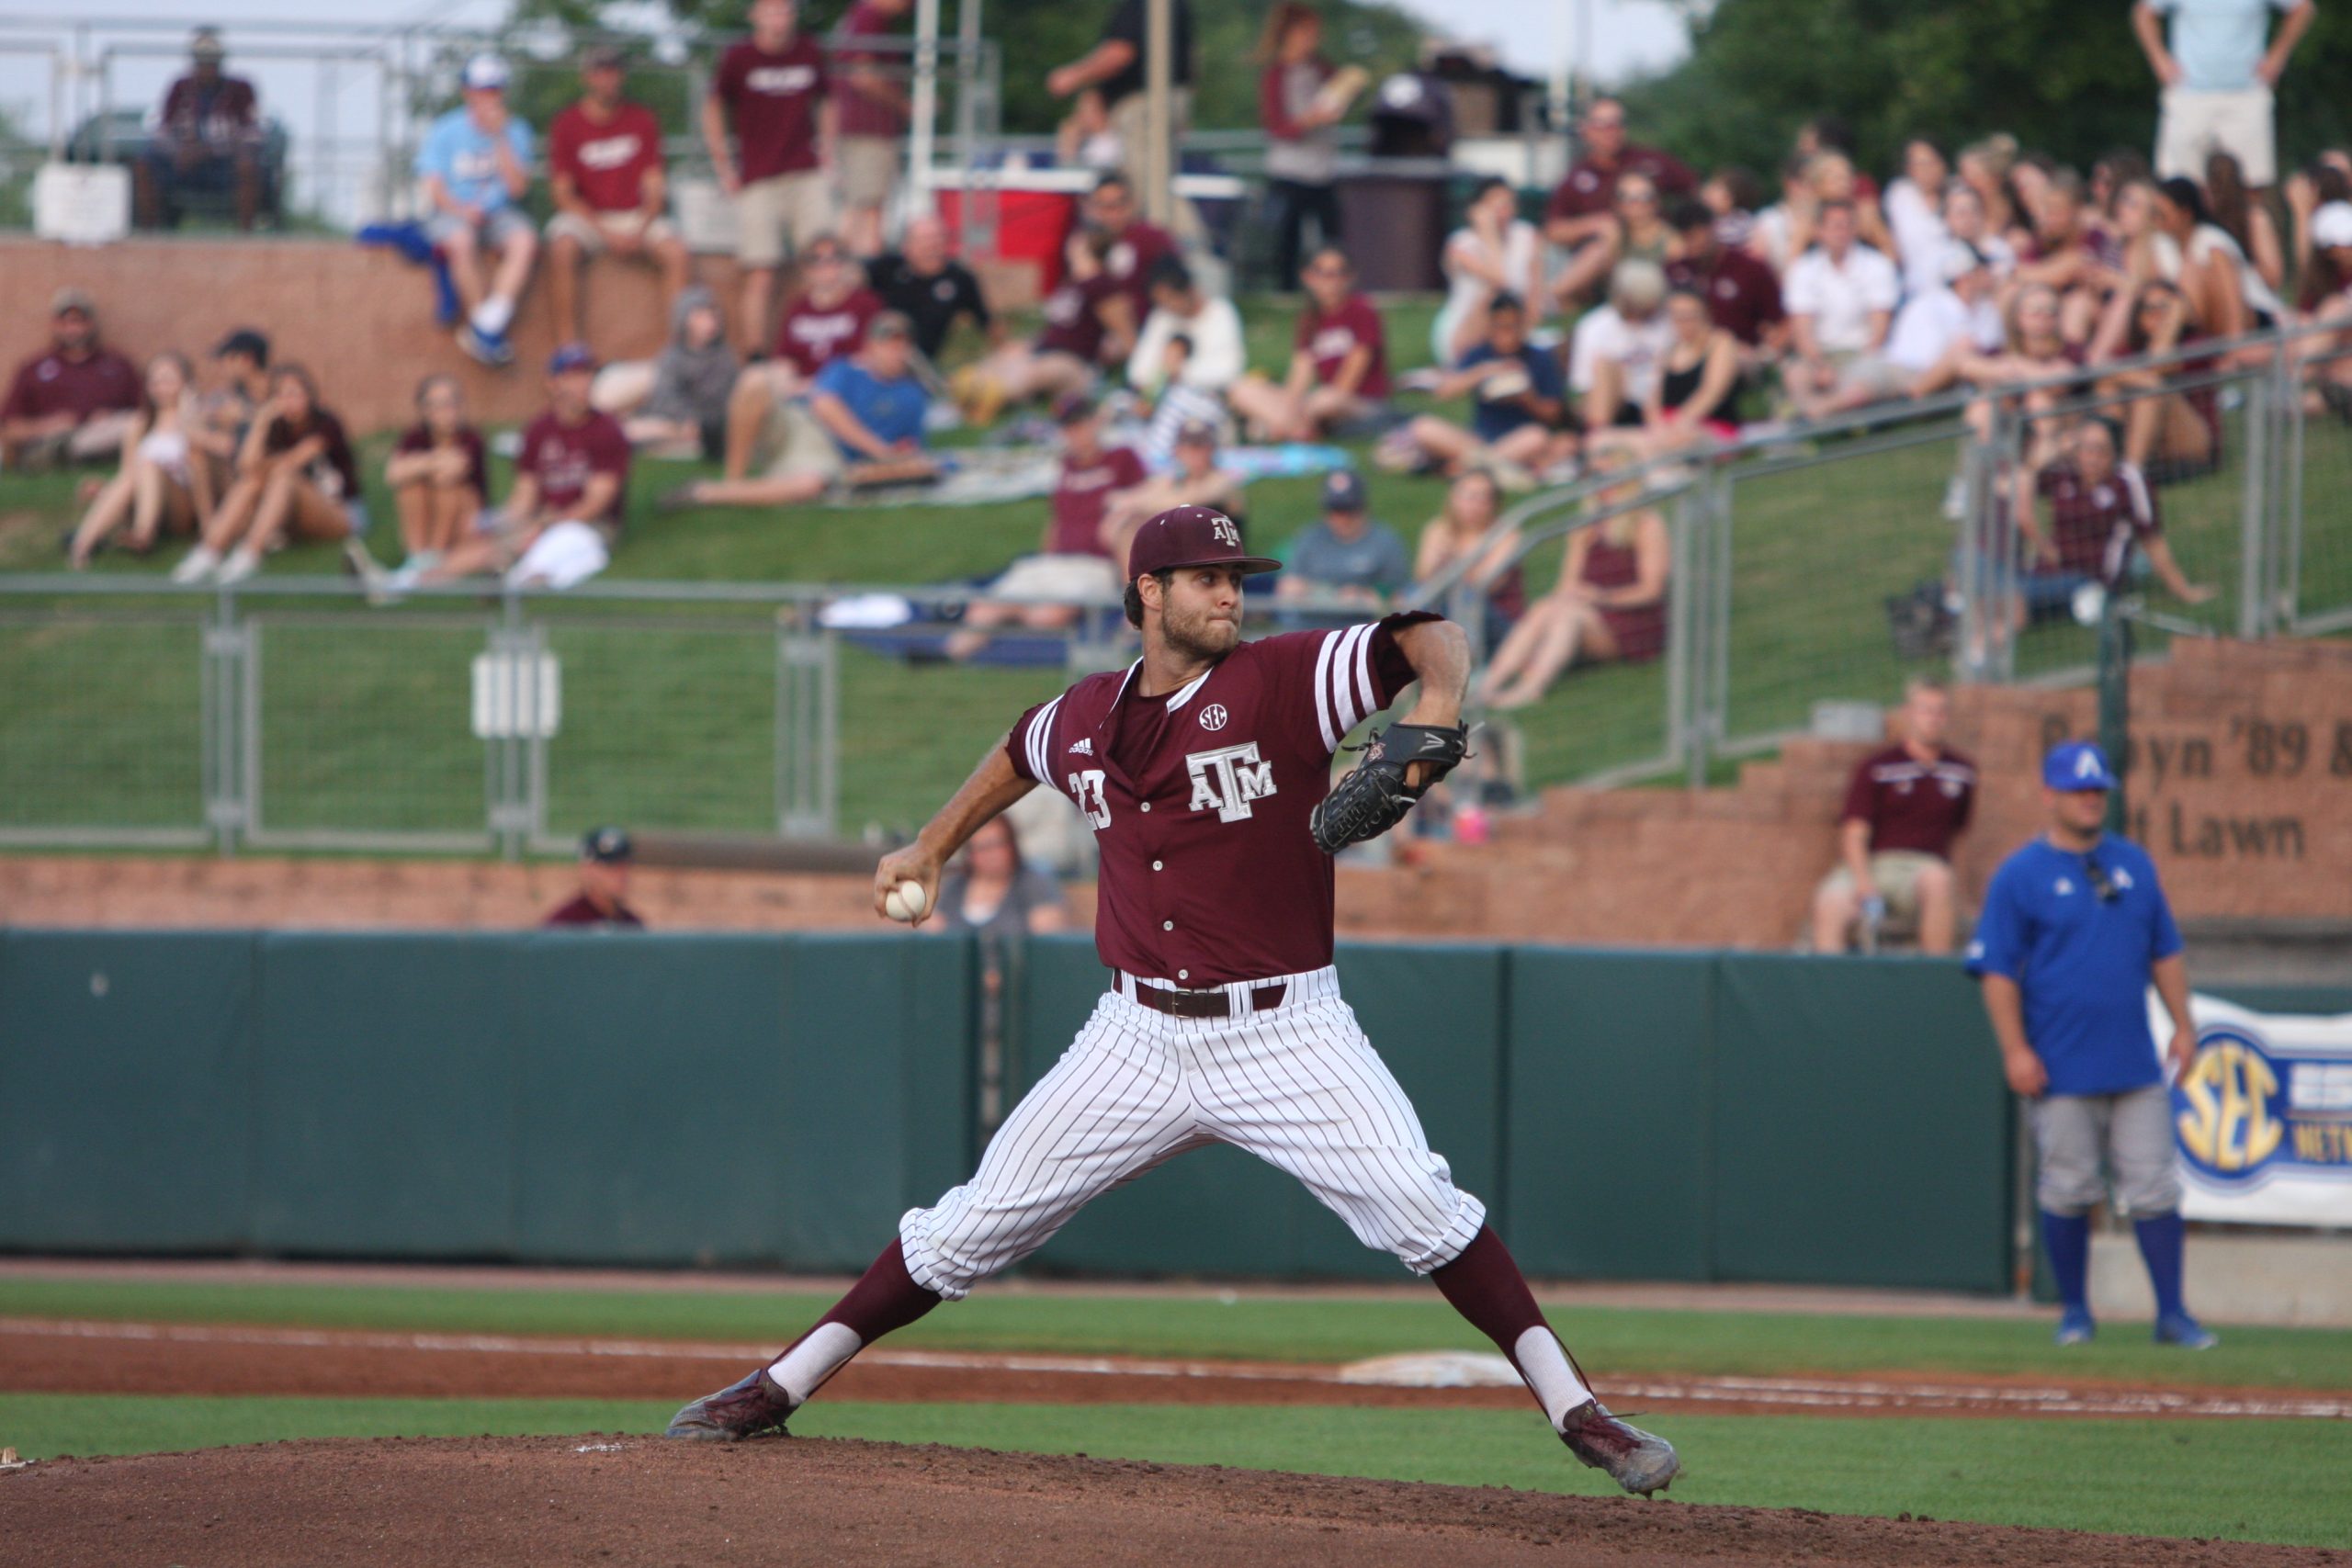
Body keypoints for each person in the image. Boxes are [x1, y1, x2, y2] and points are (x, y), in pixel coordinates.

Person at [663, 502, 1682, 1504]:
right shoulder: (1086, 713)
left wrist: (1436, 709)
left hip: (1287, 1030)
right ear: (1148, 592)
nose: (1229, 595)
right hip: (1135, 1037)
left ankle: (1578, 1411)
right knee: (964, 1231)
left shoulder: (1283, 681)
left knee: (1424, 1206)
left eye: (1237, 580)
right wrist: (931, 844)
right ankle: (777, 1386)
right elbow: (1022, 750)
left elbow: (1431, 636)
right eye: (1207, 579)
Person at [1969, 739, 2216, 1350]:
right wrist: (2015, 1049)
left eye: (2097, 789)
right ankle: (2075, 1310)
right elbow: (1997, 969)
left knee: (2154, 1185)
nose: (2089, 799)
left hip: (2133, 1057)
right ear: (2049, 794)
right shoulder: (2020, 873)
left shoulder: (2132, 861)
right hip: (2060, 1061)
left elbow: (2165, 949)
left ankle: (2172, 1314)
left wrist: (2183, 1023)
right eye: (2078, 789)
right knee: (2070, 1186)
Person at [394, 344, 631, 592]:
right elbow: (524, 495)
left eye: (587, 374)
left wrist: (546, 524)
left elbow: (596, 504)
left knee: (558, 544)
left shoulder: (607, 429)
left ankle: (512, 585)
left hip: (589, 526)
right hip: (543, 520)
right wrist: (505, 523)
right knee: (488, 544)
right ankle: (406, 582)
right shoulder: (539, 430)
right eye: (573, 376)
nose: (584, 382)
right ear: (553, 383)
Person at [949, 394, 1145, 655]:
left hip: (1094, 565)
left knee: (1049, 615)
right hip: (1055, 562)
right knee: (983, 607)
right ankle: (944, 658)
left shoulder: (1122, 458)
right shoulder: (1066, 465)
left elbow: (1146, 504)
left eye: (1079, 425)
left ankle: (1011, 623)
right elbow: (1057, 520)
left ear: (1095, 423)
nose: (1074, 434)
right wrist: (1045, 556)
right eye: (1067, 428)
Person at [678, 311, 932, 510]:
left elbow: (911, 451)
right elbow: (824, 405)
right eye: (887, 344)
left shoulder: (911, 395)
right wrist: (878, 449)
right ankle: (733, 479)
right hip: (801, 422)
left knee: (811, 485)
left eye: (901, 346)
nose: (894, 352)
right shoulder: (845, 369)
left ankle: (707, 493)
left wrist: (894, 457)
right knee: (754, 380)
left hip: (828, 452)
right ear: (870, 347)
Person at [706, 0, 836, 356]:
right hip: (759, 177)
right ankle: (756, 353)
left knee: (825, 260)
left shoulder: (809, 51)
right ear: (756, 16)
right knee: (762, 271)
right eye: (773, 9)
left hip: (805, 172)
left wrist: (828, 152)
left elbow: (827, 100)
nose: (781, 17)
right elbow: (714, 106)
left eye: (788, 9)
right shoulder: (739, 58)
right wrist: (724, 165)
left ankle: (824, 346)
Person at [1808, 678, 1976, 956]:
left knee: (1938, 880)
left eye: (1940, 711)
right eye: (1925, 710)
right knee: (1830, 900)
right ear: (1908, 713)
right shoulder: (1878, 766)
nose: (1933, 719)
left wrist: (1964, 894)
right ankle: (1829, 991)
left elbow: (1960, 837)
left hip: (1924, 867)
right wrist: (1864, 885)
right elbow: (1854, 834)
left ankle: (1931, 980)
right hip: (1874, 864)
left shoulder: (1962, 770)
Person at [1476, 473, 1669, 709]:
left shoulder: (1646, 524)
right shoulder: (1585, 526)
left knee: (1569, 616)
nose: (1604, 489)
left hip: (1631, 622)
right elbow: (1567, 583)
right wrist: (1562, 600)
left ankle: (1531, 687)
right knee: (1545, 608)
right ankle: (1489, 684)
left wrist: (1600, 597)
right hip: (1588, 614)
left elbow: (1651, 590)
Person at [545, 44, 690, 344]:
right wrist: (605, 232)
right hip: (590, 217)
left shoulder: (642, 119)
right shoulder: (566, 123)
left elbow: (654, 184)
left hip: (635, 215)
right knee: (562, 247)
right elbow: (562, 194)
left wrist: (643, 226)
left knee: (676, 252)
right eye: (600, 72)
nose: (607, 80)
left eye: (613, 72)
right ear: (587, 77)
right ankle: (568, 347)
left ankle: (678, 346)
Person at [169, 364, 366, 585]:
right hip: (292, 514)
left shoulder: (327, 424)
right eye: (281, 395)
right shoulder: (275, 426)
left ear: (310, 396)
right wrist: (261, 422)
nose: (288, 402)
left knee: (282, 477)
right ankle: (209, 551)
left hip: (341, 512)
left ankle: (250, 554)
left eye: (295, 394)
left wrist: (261, 467)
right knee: (251, 481)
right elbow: (244, 467)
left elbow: (292, 462)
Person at [2011, 416, 2214, 619]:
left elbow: (2152, 540)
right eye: (2085, 449)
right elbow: (2019, 482)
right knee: (1996, 583)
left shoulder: (2126, 483)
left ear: (2115, 453)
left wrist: (2183, 590)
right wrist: (2045, 458)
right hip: (2045, 572)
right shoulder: (2066, 476)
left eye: (2101, 450)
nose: (2092, 458)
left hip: (2090, 579)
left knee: (2006, 595)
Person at [1791, 242, 2003, 423]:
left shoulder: (1985, 309)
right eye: (1982, 268)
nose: (1990, 273)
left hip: (1920, 376)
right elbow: (1927, 359)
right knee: (1856, 392)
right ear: (1966, 276)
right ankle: (1813, 414)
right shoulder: (1930, 305)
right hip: (1898, 369)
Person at [417, 54, 537, 367]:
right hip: (454, 213)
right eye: (481, 90)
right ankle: (481, 322)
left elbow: (517, 189)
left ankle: (487, 325)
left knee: (524, 239)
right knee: (460, 239)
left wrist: (499, 136)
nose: (487, 97)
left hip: (497, 214)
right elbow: (434, 188)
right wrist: (463, 210)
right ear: (467, 92)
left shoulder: (516, 130)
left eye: (493, 90)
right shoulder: (445, 130)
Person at [950, 228, 1136, 425]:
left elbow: (1124, 331)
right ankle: (968, 392)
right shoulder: (1072, 282)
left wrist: (1135, 372)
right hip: (1047, 348)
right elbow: (1059, 328)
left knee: (1034, 371)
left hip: (1076, 361)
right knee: (1005, 357)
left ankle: (985, 398)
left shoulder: (1103, 285)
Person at [1046, 0, 1196, 231]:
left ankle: (1188, 252)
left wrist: (1072, 76)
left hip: (1144, 104)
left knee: (1148, 191)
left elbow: (1120, 53)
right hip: (1156, 101)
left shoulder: (1141, 5)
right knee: (1145, 190)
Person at [1389, 293, 1568, 484]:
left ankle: (1464, 468)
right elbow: (1445, 391)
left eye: (1512, 327)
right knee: (1423, 427)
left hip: (1519, 438)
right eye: (1500, 327)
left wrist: (1527, 397)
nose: (1507, 334)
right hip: (1477, 440)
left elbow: (1553, 413)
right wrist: (1483, 372)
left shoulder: (1539, 358)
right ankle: (1486, 466)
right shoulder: (1480, 354)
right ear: (1491, 326)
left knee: (1536, 437)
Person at [2134, 0, 2312, 189]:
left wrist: (2278, 56)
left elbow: (2302, 8)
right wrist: (2159, 59)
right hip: (2189, 93)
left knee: (2250, 183)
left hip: (2246, 93)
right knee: (2179, 185)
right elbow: (2144, 13)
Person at [65, 353, 211, 569]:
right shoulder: (139, 424)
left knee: (148, 465)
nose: (161, 387)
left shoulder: (198, 418)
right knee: (132, 474)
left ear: (185, 383)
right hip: (144, 498)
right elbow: (128, 477)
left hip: (182, 502)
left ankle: (143, 534)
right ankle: (82, 546)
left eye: (168, 380)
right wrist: (104, 490)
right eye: (155, 381)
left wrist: (188, 410)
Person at [1229, 245, 1389, 441]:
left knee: (1324, 400)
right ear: (1308, 277)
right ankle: (1294, 428)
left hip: (1357, 402)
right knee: (1243, 389)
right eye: (1322, 274)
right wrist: (1290, 406)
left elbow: (1351, 374)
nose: (1330, 282)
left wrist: (1303, 410)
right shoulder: (1310, 318)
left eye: (1337, 274)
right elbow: (1301, 371)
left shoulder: (1362, 310)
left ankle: (1280, 427)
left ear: (1349, 277)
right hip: (1317, 404)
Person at [729, 235, 885, 433]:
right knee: (752, 378)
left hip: (848, 392)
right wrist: (789, 382)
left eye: (834, 258)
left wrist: (817, 385)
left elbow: (870, 358)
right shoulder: (798, 307)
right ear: (806, 269)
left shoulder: (865, 303)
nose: (825, 266)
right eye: (816, 260)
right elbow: (785, 358)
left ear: (845, 264)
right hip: (802, 390)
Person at [1257, 4, 1353, 289]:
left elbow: (1340, 92)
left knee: (1332, 236)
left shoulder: (1320, 68)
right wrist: (1310, 120)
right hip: (1290, 170)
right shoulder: (1276, 74)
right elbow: (1277, 127)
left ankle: (1334, 288)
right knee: (1287, 239)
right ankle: (1286, 291)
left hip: (1323, 169)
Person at [134, 28, 262, 231]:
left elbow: (253, 134)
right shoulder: (180, 87)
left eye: (211, 60)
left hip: (223, 164)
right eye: (201, 60)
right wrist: (179, 152)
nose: (206, 66)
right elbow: (162, 131)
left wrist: (207, 151)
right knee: (144, 163)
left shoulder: (240, 89)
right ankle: (149, 233)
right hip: (182, 163)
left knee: (247, 166)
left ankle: (246, 236)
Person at [1, 289, 141, 472]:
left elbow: (144, 414)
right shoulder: (33, 368)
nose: (73, 329)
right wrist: (47, 426)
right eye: (66, 322)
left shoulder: (117, 365)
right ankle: (55, 454)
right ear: (55, 325)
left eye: (79, 321)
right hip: (50, 439)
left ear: (91, 323)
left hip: (101, 435)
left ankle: (66, 454)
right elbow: (10, 428)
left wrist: (110, 417)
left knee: (127, 425)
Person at [593, 287, 740, 459]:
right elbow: (667, 396)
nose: (709, 322)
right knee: (638, 430)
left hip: (709, 426)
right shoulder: (673, 356)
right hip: (674, 421)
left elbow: (730, 396)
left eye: (712, 315)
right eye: (700, 315)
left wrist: (706, 423)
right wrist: (687, 419)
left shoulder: (726, 358)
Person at [1782, 199, 1901, 411]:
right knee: (1796, 376)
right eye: (1836, 226)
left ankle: (1818, 412)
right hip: (1820, 354)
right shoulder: (1803, 269)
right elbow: (1802, 330)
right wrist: (1820, 364)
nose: (1842, 232)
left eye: (1848, 225)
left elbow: (1879, 329)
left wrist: (1853, 364)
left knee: (1862, 384)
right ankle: (1825, 414)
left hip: (1863, 353)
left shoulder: (1877, 265)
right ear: (1819, 231)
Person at [1542, 96, 1695, 255]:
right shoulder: (1576, 178)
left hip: (1657, 248)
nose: (1611, 131)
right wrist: (1597, 224)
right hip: (1612, 255)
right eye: (1602, 125)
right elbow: (1553, 229)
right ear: (1586, 129)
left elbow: (1695, 191)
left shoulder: (1651, 160)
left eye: (1617, 124)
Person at [1100, 415, 1249, 571]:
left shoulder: (1222, 481)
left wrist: (1131, 508)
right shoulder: (1173, 482)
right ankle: (1136, 590)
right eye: (1188, 447)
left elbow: (1183, 502)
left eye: (1200, 447)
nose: (1193, 453)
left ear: (1211, 450)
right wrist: (1122, 515)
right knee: (1130, 528)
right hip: (1186, 562)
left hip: (1220, 566)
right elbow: (1117, 499)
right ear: (1178, 451)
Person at [1125, 257, 1246, 448]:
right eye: (1162, 302)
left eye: (1171, 299)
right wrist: (1162, 377)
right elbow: (1137, 370)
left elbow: (1230, 369)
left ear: (1189, 290)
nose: (1168, 306)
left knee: (1180, 400)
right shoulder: (1162, 318)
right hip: (1158, 397)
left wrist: (1181, 372)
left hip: (1205, 400)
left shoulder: (1220, 312)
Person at [1433, 176, 1545, 369]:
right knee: (1494, 297)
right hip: (1466, 327)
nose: (1504, 211)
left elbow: (1535, 295)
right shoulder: (1460, 244)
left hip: (1514, 326)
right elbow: (1500, 281)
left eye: (1508, 204)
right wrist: (1489, 235)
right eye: (1496, 205)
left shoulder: (1526, 236)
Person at [382, 374, 490, 573]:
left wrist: (419, 464)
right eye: (437, 405)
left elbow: (450, 473)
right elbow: (393, 474)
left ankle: (435, 554)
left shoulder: (470, 437)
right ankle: (416, 555)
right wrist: (436, 459)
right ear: (424, 410)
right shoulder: (415, 437)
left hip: (466, 518)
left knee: (448, 488)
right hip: (432, 511)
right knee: (410, 487)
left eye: (451, 403)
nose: (446, 411)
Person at [1621, 286, 1744, 455]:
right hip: (1667, 427)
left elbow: (1713, 391)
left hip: (1707, 425)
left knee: (1677, 440)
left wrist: (1678, 424)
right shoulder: (1668, 352)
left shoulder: (1720, 342)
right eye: (1676, 316)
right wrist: (1658, 425)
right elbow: (1653, 400)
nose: (1682, 323)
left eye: (1688, 316)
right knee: (1601, 440)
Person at [832, 0, 912, 257]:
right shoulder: (870, 16)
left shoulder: (857, 15)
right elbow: (863, 76)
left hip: (856, 129)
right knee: (868, 214)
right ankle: (860, 282)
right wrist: (903, 105)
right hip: (869, 131)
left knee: (856, 208)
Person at [1663, 197, 1785, 365]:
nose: (1694, 244)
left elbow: (1780, 321)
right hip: (1686, 356)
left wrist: (1765, 353)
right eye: (1686, 238)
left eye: (1697, 234)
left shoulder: (1749, 269)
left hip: (1740, 356)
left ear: (1713, 228)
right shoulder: (1675, 272)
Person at [1411, 468, 1522, 649]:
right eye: (1468, 497)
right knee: (1415, 595)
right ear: (1453, 499)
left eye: (1483, 499)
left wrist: (1452, 562)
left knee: (1461, 598)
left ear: (1494, 504)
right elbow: (1422, 577)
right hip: (1445, 610)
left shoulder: (1506, 535)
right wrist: (1436, 563)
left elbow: (1488, 584)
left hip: (1493, 617)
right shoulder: (1438, 529)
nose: (1475, 505)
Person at [865, 214, 995, 363]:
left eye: (938, 239)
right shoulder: (887, 267)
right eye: (924, 240)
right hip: (878, 360)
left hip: (922, 365)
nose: (932, 246)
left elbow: (988, 323)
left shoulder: (959, 278)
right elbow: (851, 279)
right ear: (907, 245)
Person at [1276, 469, 1411, 610]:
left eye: (1349, 509)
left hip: (1362, 625)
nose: (1342, 518)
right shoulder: (1310, 538)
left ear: (1363, 507)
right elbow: (1289, 585)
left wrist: (1361, 596)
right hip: (1313, 624)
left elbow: (1396, 592)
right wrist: (1331, 595)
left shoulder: (1385, 541)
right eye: (1335, 510)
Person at [1568, 260, 1673, 437]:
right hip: (1618, 402)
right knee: (1604, 364)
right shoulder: (1593, 326)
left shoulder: (1667, 323)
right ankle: (1600, 438)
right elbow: (1583, 385)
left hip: (1660, 399)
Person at [933, 816, 1069, 937]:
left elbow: (1047, 936)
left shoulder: (1033, 882)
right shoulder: (955, 886)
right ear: (969, 854)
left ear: (1012, 845)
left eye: (998, 844)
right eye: (982, 848)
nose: (992, 855)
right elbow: (935, 933)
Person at [1079, 173, 1181, 335]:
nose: (1113, 214)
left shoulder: (1152, 238)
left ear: (1132, 203)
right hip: (1096, 330)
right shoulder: (1091, 244)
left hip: (1145, 328)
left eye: (1119, 205)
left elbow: (1172, 287)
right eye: (1105, 207)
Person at [1883, 138, 1953, 297]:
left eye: (1931, 163)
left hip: (1953, 285)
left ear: (1943, 164)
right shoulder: (1899, 195)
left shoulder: (1958, 193)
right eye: (1918, 165)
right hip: (1912, 286)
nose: (1925, 171)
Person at [545, 826, 645, 927]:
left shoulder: (632, 924)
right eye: (610, 866)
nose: (622, 874)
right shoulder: (565, 924)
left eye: (625, 865)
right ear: (588, 869)